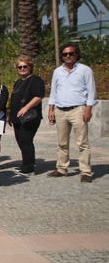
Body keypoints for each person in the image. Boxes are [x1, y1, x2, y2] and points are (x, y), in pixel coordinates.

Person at [47, 42, 97, 182]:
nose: (68, 56)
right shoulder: (58, 71)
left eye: (71, 53)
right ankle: (62, 168)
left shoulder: (85, 70)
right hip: (61, 110)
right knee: (62, 143)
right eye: (65, 54)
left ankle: (85, 171)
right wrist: (51, 110)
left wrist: (88, 109)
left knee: (82, 142)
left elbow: (92, 92)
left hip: (78, 109)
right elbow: (53, 92)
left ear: (76, 54)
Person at [8, 56, 45, 176]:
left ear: (30, 67)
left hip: (29, 117)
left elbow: (39, 96)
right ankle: (26, 164)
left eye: (25, 66)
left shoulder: (35, 80)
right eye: (20, 67)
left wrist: (26, 107)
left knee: (26, 141)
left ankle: (29, 168)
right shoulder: (18, 82)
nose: (22, 69)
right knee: (20, 141)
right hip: (18, 118)